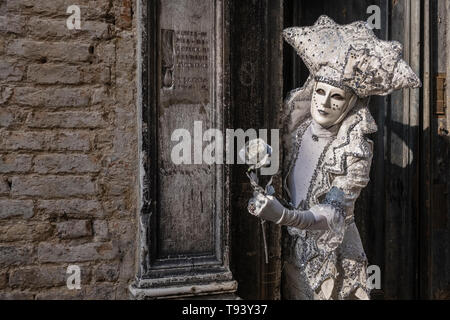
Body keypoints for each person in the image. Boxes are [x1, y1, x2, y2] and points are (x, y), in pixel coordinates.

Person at [247, 15, 421, 300]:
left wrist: (282, 215)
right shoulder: (295, 131)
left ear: (351, 103)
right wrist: (260, 162)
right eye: (320, 92)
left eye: (336, 97)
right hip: (290, 257)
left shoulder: (354, 149)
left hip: (332, 264)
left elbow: (333, 214)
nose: (324, 103)